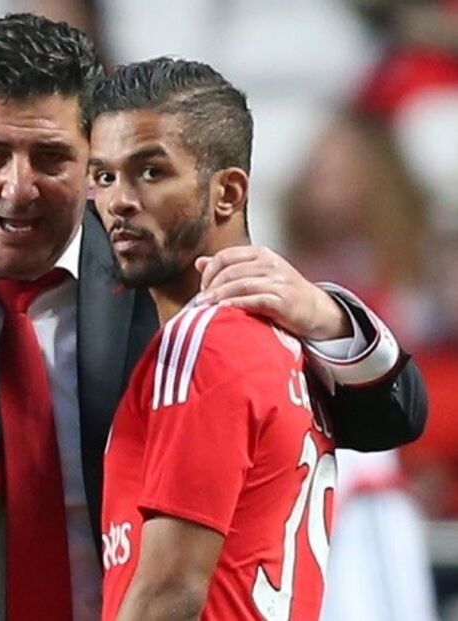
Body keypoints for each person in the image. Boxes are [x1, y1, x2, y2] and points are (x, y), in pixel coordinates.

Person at [0, 14, 427, 620]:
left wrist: (325, 315)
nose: (18, 186)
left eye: (51, 158)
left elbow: (390, 416)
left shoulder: (148, 258)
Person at [88, 57, 336, 620]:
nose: (118, 201)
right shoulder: (290, 340)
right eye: (103, 177)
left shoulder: (204, 339)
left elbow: (170, 589)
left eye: (150, 172)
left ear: (227, 193)